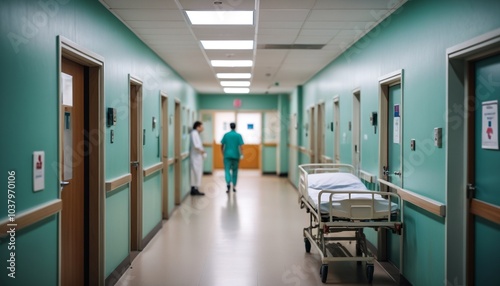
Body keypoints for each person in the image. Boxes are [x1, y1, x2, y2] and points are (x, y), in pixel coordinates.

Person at [221, 122, 244, 193]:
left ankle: (228, 183)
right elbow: (241, 146)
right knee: (235, 171)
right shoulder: (238, 135)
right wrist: (242, 154)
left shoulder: (226, 135)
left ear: (230, 127)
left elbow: (222, 145)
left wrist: (223, 153)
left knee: (227, 170)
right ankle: (234, 186)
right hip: (236, 155)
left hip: (227, 155)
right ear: (235, 127)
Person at [190, 121, 206, 196]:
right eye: (201, 127)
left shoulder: (196, 133)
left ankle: (195, 188)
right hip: (196, 156)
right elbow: (196, 146)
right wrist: (202, 152)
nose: (202, 128)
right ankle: (195, 189)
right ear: (197, 127)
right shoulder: (194, 133)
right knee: (196, 173)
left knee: (197, 173)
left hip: (197, 156)